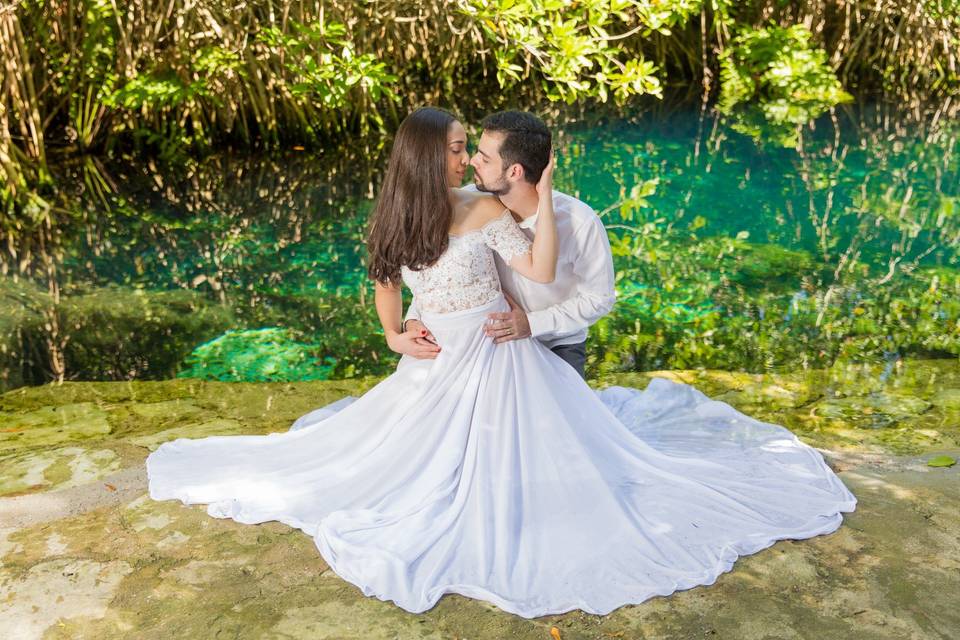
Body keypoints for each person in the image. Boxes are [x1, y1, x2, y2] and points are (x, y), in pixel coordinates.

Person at [147, 106, 857, 619]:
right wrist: (395, 336)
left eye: (474, 151)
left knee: (530, 460)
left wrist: (544, 205)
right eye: (461, 149)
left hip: (513, 349)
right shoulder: (423, 211)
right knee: (404, 457)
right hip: (442, 357)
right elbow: (385, 278)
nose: (468, 160)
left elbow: (555, 278)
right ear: (435, 158)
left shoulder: (517, 214)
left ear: (510, 169)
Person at [397, 111, 616, 380]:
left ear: (514, 171)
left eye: (484, 158)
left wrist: (532, 324)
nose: (471, 161)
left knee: (557, 418)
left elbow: (599, 299)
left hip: (556, 341)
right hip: (488, 342)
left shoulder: (580, 223)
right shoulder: (472, 202)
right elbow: (440, 274)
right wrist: (413, 319)